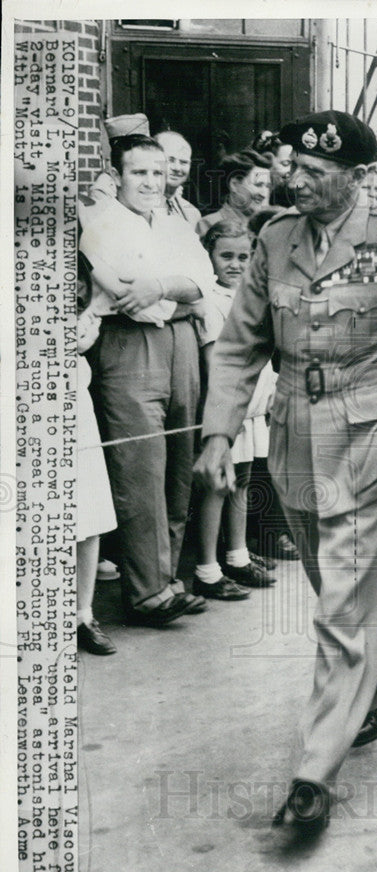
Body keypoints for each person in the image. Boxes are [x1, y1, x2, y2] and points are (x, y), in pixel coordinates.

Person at [195, 110, 377, 840]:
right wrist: (219, 431)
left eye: (317, 174)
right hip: (292, 432)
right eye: (295, 169)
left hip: (370, 437)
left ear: (354, 175)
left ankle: (314, 772)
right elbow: (237, 346)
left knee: (340, 603)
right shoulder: (274, 237)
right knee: (328, 581)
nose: (298, 182)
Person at [80, 129, 217, 626]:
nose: (151, 182)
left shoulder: (176, 224)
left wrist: (162, 285)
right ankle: (147, 593)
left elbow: (202, 284)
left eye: (158, 173)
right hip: (129, 346)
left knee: (179, 464)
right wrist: (174, 289)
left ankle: (167, 581)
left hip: (179, 344)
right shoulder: (100, 224)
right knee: (139, 466)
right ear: (116, 176)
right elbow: (122, 293)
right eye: (139, 172)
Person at [193, 220, 276, 599]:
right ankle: (207, 569)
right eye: (225, 255)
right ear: (209, 255)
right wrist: (228, 412)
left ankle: (237, 554)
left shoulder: (252, 294)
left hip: (255, 406)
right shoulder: (210, 300)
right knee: (216, 486)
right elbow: (218, 364)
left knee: (243, 478)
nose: (235, 264)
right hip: (229, 411)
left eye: (244, 257)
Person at [76, 251, 118, 655]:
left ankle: (82, 615)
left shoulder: (78, 270)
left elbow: (83, 335)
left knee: (88, 517)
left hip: (75, 408)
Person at [196, 150, 272, 238]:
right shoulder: (208, 225)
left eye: (268, 186)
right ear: (234, 184)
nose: (264, 194)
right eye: (258, 185)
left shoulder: (267, 228)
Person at [154, 130, 201, 227]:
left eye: (184, 162)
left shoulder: (193, 214)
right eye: (170, 160)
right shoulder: (140, 208)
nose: (177, 168)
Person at [249, 130, 295, 208]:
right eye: (286, 164)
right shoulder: (253, 196)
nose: (292, 171)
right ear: (267, 160)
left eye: (295, 165)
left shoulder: (293, 197)